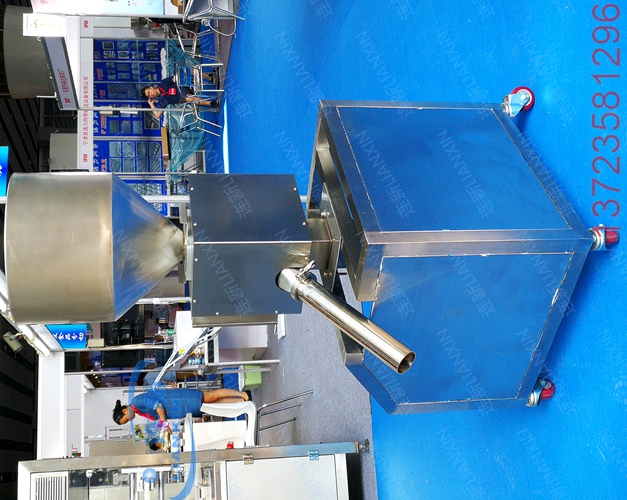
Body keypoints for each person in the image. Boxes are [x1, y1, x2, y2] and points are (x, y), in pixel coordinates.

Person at [112, 388, 249, 425]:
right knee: (212, 406)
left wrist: (163, 423)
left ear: (125, 411)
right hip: (181, 407)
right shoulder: (139, 411)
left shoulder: (137, 402)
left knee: (212, 396)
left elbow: (158, 406)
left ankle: (242, 394)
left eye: (127, 419)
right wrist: (163, 428)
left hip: (180, 399)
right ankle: (240, 402)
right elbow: (158, 416)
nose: (130, 420)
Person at [142, 74, 219, 120]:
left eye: (149, 92)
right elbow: (157, 115)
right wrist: (151, 104)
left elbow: (174, 78)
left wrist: (182, 75)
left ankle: (209, 77)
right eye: (149, 95)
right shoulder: (161, 101)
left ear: (151, 88)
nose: (150, 94)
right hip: (180, 97)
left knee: (188, 72)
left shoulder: (163, 83)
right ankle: (211, 103)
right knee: (189, 98)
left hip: (181, 86)